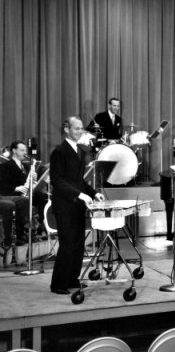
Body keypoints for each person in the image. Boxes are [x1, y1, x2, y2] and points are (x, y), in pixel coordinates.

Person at [49, 117, 104, 295]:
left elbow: (79, 181)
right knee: (67, 244)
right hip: (65, 205)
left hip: (77, 205)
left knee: (78, 245)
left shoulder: (79, 150)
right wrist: (79, 195)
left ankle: (73, 279)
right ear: (67, 130)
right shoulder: (59, 151)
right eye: (76, 129)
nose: (80, 132)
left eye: (81, 129)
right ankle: (58, 284)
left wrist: (93, 193)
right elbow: (57, 180)